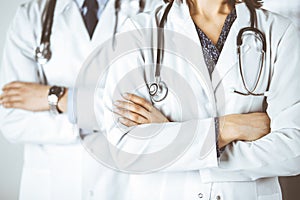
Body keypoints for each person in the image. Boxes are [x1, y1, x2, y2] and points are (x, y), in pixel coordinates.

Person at [98, 0, 300, 199]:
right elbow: (126, 147)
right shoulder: (140, 32)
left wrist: (177, 146)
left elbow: (294, 151)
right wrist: (223, 129)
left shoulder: (279, 32)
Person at [0, 0, 163, 199]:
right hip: (51, 188)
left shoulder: (153, 10)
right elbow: (13, 120)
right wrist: (105, 119)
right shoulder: (31, 16)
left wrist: (58, 99)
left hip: (123, 187)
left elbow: (156, 108)